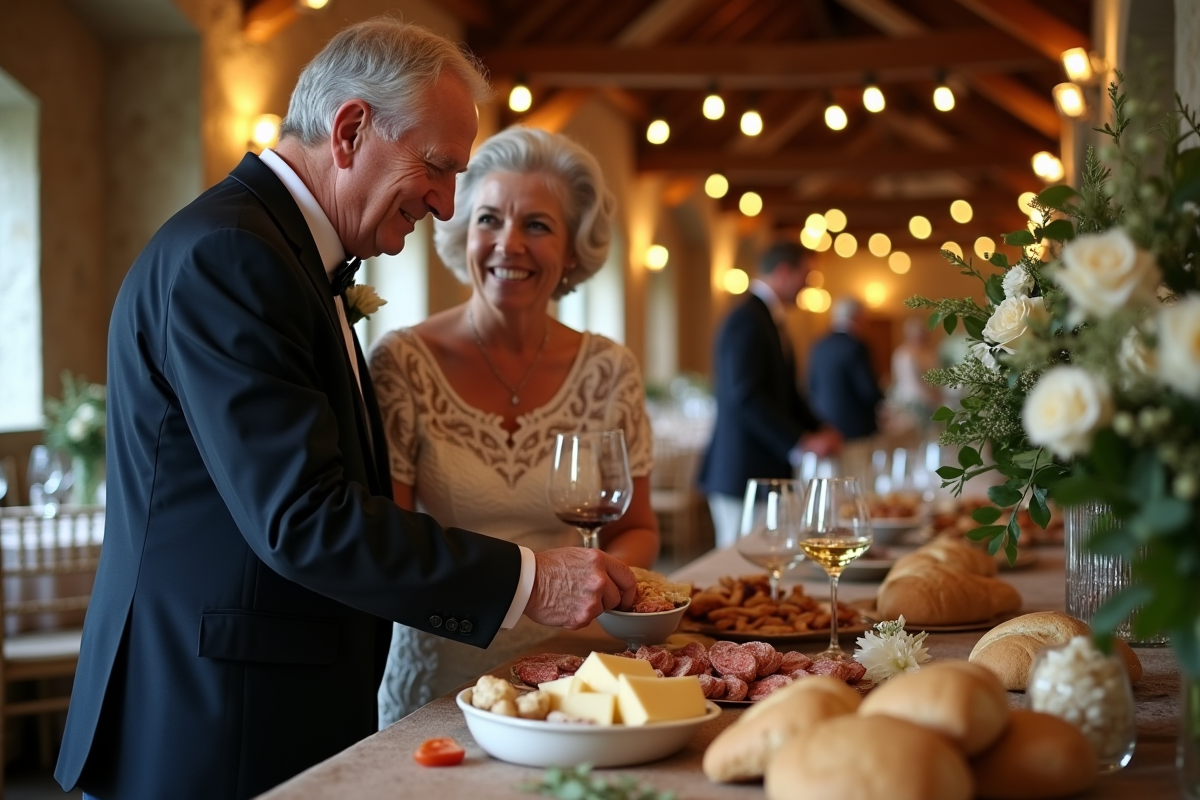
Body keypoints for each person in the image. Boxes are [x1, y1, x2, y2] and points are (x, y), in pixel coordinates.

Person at [55, 20, 636, 800]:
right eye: (436, 167)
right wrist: (533, 581)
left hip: (261, 702)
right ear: (351, 129)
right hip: (214, 719)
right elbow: (306, 519)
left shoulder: (282, 252)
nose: (445, 203)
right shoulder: (233, 255)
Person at [368, 126, 660, 726]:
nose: (508, 245)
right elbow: (388, 540)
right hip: (440, 684)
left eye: (537, 225)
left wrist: (601, 583)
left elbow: (637, 528)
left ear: (574, 250)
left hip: (578, 674)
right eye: (489, 220)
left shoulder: (609, 370)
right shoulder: (402, 363)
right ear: (460, 232)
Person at [697, 242, 841, 549]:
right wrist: (800, 441)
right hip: (742, 469)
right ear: (785, 272)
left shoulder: (767, 318)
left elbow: (786, 392)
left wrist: (820, 428)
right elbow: (746, 396)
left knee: (765, 556)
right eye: (807, 274)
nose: (809, 284)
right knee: (740, 561)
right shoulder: (747, 318)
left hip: (761, 467)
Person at [807, 297, 884, 441]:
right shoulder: (856, 345)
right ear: (858, 317)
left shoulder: (818, 345)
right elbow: (868, 391)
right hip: (855, 425)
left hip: (824, 422)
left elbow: (811, 385)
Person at [889, 315, 944, 432]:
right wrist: (933, 399)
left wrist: (939, 396)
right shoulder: (903, 354)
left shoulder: (929, 353)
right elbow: (911, 382)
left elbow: (938, 377)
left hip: (932, 400)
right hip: (913, 402)